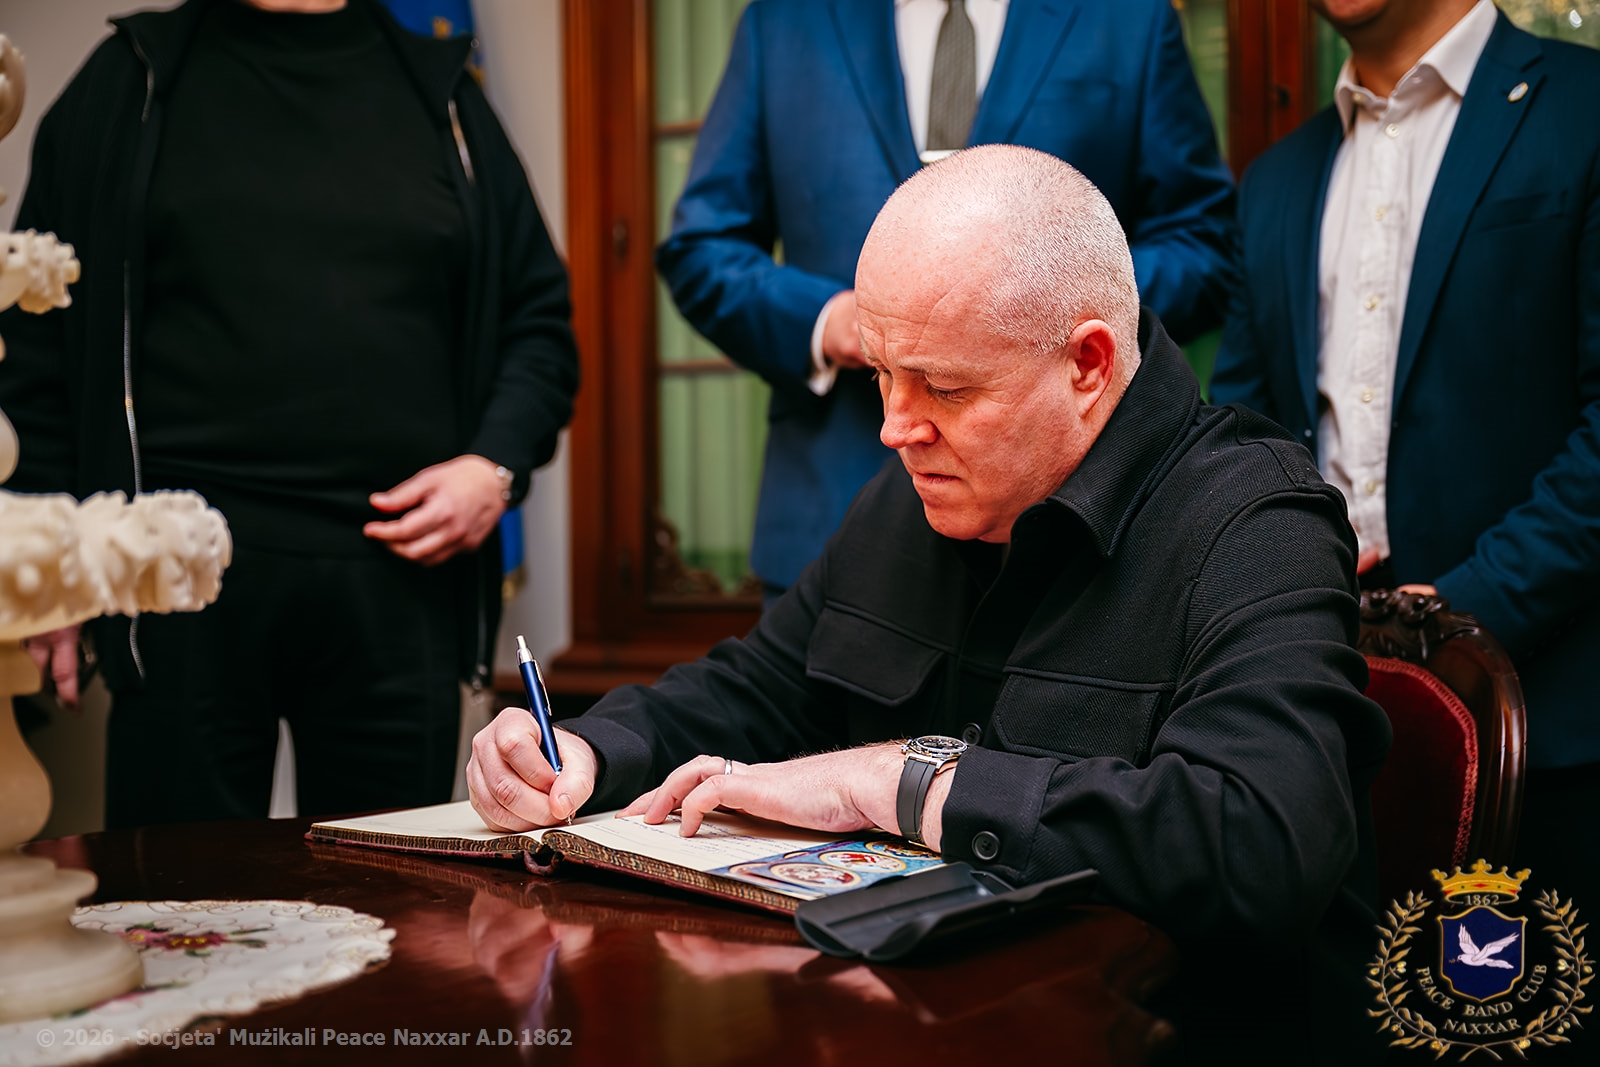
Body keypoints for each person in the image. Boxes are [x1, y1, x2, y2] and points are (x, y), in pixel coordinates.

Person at [473, 146, 1391, 1062]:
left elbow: (1260, 846)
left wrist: (900, 779)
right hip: (921, 1024)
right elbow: (759, 686)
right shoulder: (918, 489)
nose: (894, 427)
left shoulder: (1255, 521)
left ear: (1087, 363)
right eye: (882, 373)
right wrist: (589, 748)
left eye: (945, 388)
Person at [0, 0, 578, 826]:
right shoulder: (131, 77)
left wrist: (494, 466)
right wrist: (49, 575)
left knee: (394, 895)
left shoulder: (443, 91)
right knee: (178, 896)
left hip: (399, 582)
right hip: (173, 581)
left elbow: (540, 324)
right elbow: (34, 333)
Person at [1209, 0, 1600, 922]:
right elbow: (1244, 440)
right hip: (1323, 727)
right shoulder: (1275, 180)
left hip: (1558, 729)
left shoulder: (1584, 111)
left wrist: (1458, 611)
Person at [656, 0, 1237, 596]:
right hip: (829, 512)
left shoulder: (1127, 19)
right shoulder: (782, 24)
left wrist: (1044, 302)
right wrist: (832, 320)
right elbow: (702, 249)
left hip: (1071, 530)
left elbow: (1203, 244)